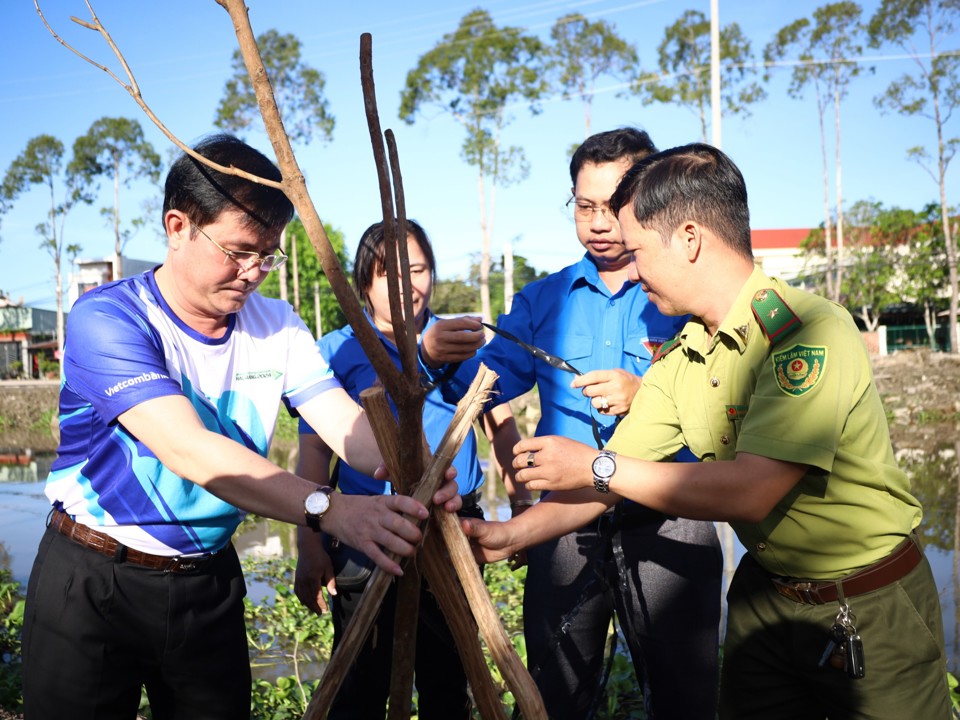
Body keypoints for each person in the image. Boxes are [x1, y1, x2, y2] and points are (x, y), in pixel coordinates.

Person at [463, 143, 953, 719]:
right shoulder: (685, 356)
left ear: (690, 239)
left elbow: (749, 488)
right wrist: (513, 535)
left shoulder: (806, 333)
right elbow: (609, 481)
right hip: (766, 596)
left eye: (640, 249)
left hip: (868, 602)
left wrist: (595, 464)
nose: (632, 266)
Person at [20, 134, 461, 720]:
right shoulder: (109, 318)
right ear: (178, 226)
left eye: (268, 255)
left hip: (209, 581)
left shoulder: (274, 324)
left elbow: (343, 424)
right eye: (238, 251)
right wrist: (330, 509)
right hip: (97, 577)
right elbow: (193, 450)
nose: (254, 272)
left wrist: (416, 469)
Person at [420, 128, 722, 720]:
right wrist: (434, 357)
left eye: (614, 206)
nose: (600, 222)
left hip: (670, 513)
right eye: (585, 207)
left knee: (684, 696)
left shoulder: (680, 294)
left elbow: (719, 400)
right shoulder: (543, 300)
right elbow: (484, 386)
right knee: (555, 692)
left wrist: (647, 392)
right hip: (562, 523)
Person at [294, 219, 527, 719]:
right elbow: (314, 454)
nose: (408, 285)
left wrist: (523, 503)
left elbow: (500, 424)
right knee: (360, 682)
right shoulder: (335, 350)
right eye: (389, 274)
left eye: (418, 269)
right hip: (365, 529)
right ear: (362, 285)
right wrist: (308, 543)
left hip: (452, 526)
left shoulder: (460, 342)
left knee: (449, 678)